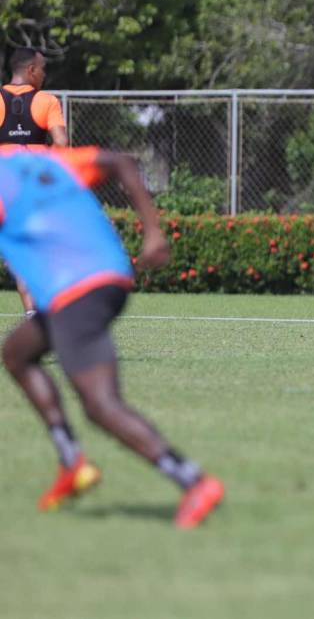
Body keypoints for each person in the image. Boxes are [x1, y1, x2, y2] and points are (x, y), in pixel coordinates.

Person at [0, 145, 224, 528]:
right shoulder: (43, 161)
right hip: (110, 275)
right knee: (17, 353)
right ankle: (72, 461)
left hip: (75, 289)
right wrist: (153, 233)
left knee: (101, 406)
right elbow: (122, 161)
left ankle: (194, 482)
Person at [0, 47, 69, 317]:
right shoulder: (47, 101)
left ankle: (34, 315)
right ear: (30, 71)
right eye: (42, 69)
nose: (44, 75)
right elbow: (62, 144)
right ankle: (35, 314)